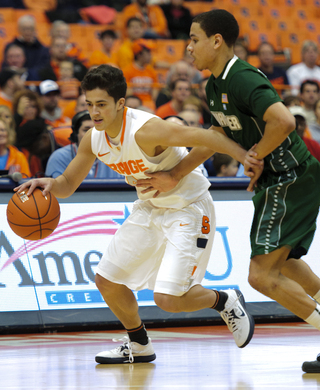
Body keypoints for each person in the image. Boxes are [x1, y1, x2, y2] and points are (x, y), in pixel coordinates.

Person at [15, 64, 261, 364]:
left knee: (168, 300)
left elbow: (208, 137)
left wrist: (245, 159)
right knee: (107, 280)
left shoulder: (148, 130)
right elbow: (67, 185)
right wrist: (49, 184)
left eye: (101, 105)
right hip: (149, 207)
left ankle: (225, 300)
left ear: (121, 103)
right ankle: (139, 344)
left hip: (188, 206)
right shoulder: (94, 138)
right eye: (89, 104)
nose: (94, 112)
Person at [135, 9, 320, 372]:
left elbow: (282, 121)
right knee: (289, 266)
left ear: (216, 41)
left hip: (290, 176)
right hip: (279, 179)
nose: (188, 48)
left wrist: (255, 157)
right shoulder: (214, 85)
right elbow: (216, 137)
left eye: (194, 39)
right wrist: (175, 173)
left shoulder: (242, 78)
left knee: (261, 277)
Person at [45, 110, 123, 179]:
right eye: (86, 130)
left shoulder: (116, 157)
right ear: (75, 134)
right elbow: (56, 193)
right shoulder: (59, 158)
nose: (93, 134)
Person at [122, 39, 158, 110]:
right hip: (133, 104)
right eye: (148, 52)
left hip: (149, 104)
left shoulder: (151, 71)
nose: (150, 55)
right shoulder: (127, 71)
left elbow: (155, 92)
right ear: (139, 55)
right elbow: (129, 94)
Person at [38, 79, 72, 146]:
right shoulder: (37, 121)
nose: (52, 98)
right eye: (48, 95)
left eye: (55, 94)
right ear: (39, 97)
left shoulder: (66, 120)